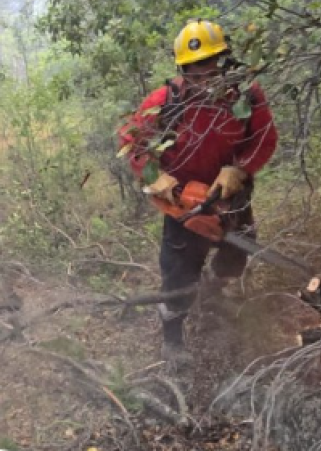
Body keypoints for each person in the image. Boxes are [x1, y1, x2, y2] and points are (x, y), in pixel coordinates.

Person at [119, 19, 278, 369]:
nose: (204, 78)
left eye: (210, 67)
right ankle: (173, 339)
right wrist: (153, 173)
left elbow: (264, 138)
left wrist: (240, 167)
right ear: (183, 69)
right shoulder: (167, 100)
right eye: (195, 71)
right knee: (178, 275)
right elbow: (131, 139)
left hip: (231, 194)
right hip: (185, 202)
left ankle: (215, 289)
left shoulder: (247, 96)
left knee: (236, 256)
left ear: (224, 61)